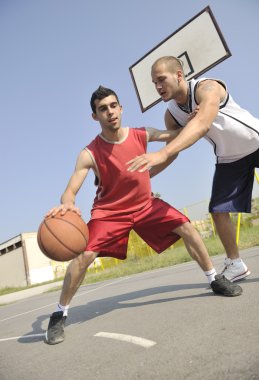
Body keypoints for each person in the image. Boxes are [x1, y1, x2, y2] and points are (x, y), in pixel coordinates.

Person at [45, 85, 242, 345]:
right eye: (103, 109)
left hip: (145, 205)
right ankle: (59, 313)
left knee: (186, 227)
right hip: (109, 213)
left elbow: (175, 134)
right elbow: (70, 191)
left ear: (121, 108)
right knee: (85, 256)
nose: (110, 112)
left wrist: (194, 120)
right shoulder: (89, 153)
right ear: (95, 117)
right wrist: (68, 204)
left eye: (114, 106)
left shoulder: (141, 134)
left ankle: (214, 279)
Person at [127, 55, 259, 282]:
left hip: (255, 141)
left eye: (161, 79)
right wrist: (144, 178)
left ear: (179, 75)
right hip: (229, 157)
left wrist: (161, 152)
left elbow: (202, 124)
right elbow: (173, 150)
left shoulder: (208, 87)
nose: (158, 87)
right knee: (218, 211)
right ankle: (235, 263)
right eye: (154, 83)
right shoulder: (171, 114)